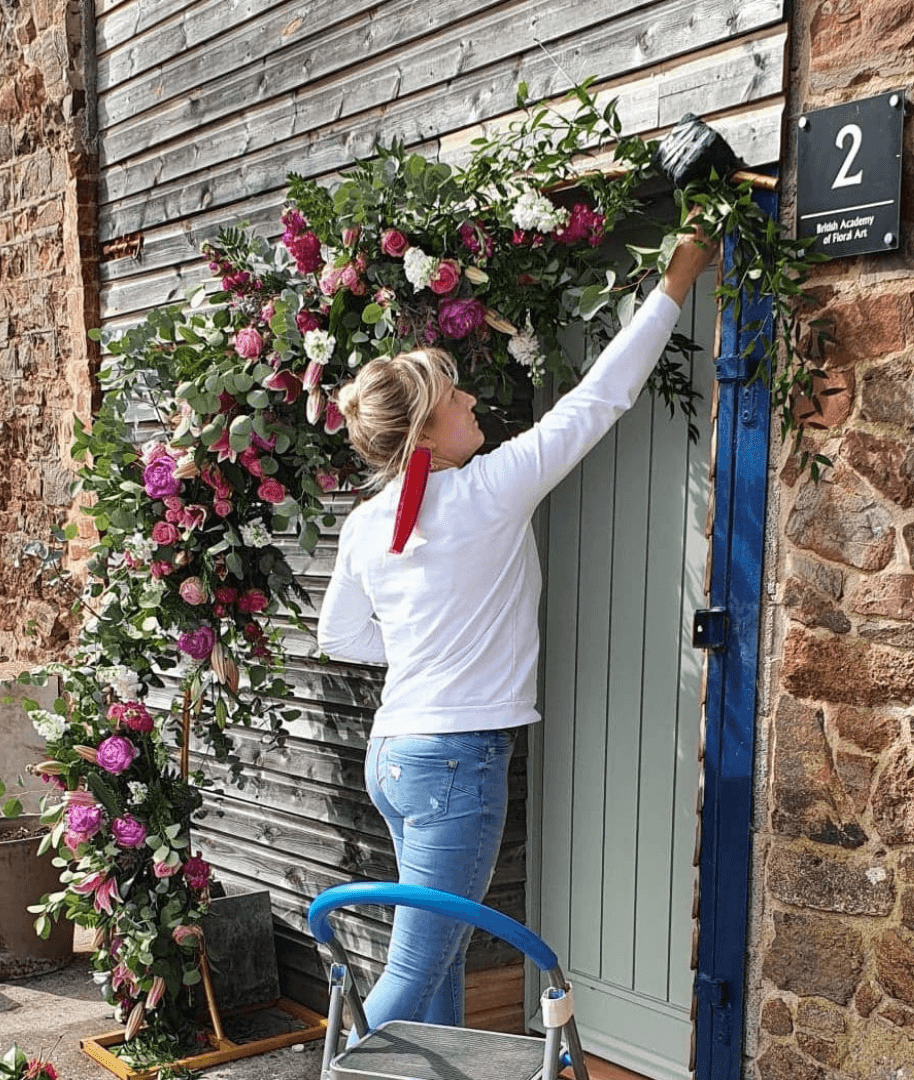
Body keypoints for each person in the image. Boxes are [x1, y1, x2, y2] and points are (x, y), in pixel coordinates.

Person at [317, 218, 718, 1039]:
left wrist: (428, 645)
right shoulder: (488, 491)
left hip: (395, 761)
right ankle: (346, 1069)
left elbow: (340, 638)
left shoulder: (366, 524)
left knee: (440, 955)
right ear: (428, 428)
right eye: (458, 396)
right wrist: (678, 279)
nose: (473, 402)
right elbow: (602, 397)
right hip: (456, 762)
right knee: (415, 968)